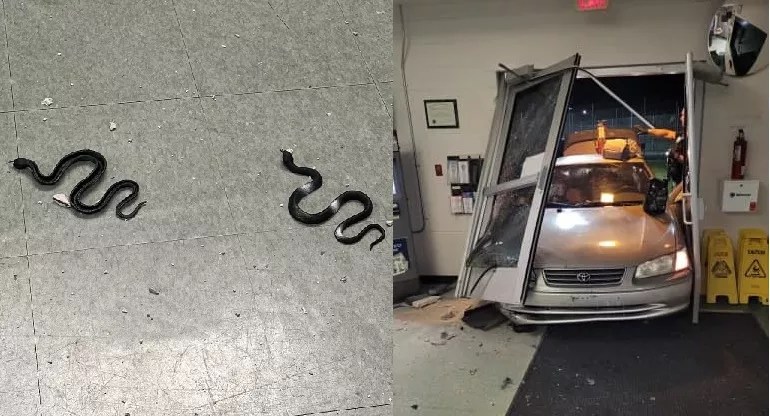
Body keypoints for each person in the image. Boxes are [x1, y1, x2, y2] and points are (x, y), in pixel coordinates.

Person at [634, 108, 688, 194]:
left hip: (685, 182)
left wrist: (675, 155)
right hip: (678, 181)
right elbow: (666, 133)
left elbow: (690, 162)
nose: (680, 118)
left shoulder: (691, 139)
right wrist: (647, 131)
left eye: (683, 115)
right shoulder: (682, 135)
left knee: (671, 202)